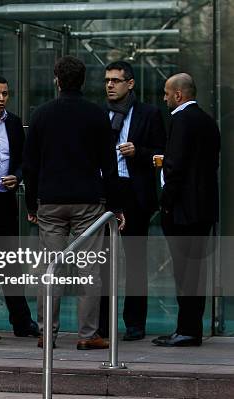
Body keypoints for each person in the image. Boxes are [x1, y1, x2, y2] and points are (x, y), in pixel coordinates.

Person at [23, 56, 124, 350]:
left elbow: (30, 166)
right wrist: (115, 207)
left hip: (50, 201)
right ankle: (87, 334)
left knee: (49, 269)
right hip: (88, 201)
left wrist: (32, 206)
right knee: (89, 269)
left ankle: (47, 333)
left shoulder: (41, 114)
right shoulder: (96, 115)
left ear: (57, 79)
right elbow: (109, 164)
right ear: (83, 80)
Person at [98, 61, 166, 341]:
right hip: (105, 193)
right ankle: (102, 324)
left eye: (116, 80)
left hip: (135, 193)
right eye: (107, 81)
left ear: (130, 84)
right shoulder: (99, 113)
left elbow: (162, 153)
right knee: (102, 261)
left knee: (136, 261)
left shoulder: (148, 114)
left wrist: (139, 152)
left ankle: (135, 323)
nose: (110, 85)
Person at [152, 73, 220, 347]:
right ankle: (189, 327)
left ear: (179, 94)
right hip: (202, 210)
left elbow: (176, 168)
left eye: (167, 93)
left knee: (184, 273)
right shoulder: (206, 121)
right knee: (195, 272)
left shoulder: (181, 120)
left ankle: (187, 330)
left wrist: (165, 202)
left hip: (182, 211)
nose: (164, 97)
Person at [0, 74, 40, 339]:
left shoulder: (13, 123)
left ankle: (22, 323)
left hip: (5, 198)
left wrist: (18, 175)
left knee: (10, 264)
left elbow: (23, 160)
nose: (2, 98)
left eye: (5, 94)